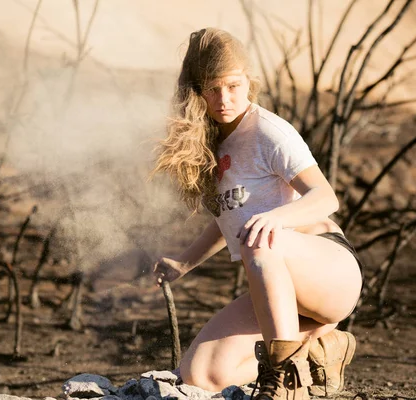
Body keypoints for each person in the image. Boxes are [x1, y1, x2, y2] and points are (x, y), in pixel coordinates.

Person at [152, 28, 363, 400]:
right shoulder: (209, 141)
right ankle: (320, 348)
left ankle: (282, 382)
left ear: (248, 81)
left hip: (330, 273)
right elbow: (229, 218)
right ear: (196, 91)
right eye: (212, 89)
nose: (223, 99)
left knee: (261, 239)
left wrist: (278, 219)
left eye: (233, 86)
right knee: (201, 374)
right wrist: (183, 263)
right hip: (282, 295)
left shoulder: (269, 132)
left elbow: (326, 197)